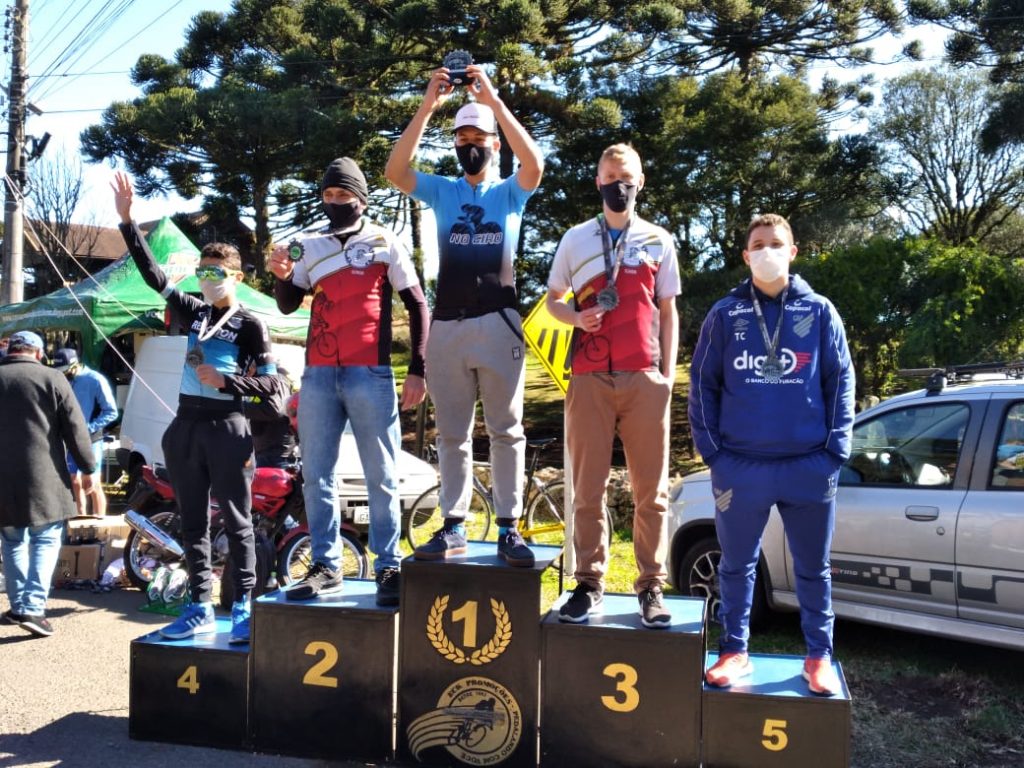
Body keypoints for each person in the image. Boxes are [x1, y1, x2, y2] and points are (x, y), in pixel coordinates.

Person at [688, 213, 855, 696]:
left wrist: (835, 450)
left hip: (808, 465)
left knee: (813, 569)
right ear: (746, 256)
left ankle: (819, 656)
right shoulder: (725, 314)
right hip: (741, 466)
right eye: (758, 245)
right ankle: (734, 650)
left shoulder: (819, 311)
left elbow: (841, 380)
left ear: (793, 251)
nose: (767, 252)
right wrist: (714, 453)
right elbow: (702, 384)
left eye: (776, 243)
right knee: (736, 565)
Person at [385, 62, 544, 566]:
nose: (470, 146)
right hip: (448, 325)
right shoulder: (442, 191)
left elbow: (535, 163)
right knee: (451, 434)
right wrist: (427, 106)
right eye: (462, 139)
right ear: (453, 144)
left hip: (499, 323)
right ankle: (453, 524)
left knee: (506, 430)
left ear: (495, 144)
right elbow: (395, 171)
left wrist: (493, 102)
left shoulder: (509, 193)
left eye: (479, 138)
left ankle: (509, 528)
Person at [113, 171, 280, 644]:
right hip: (186, 425)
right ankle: (198, 606)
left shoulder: (251, 325)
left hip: (228, 428)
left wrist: (229, 381)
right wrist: (127, 222)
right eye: (203, 273)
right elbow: (153, 275)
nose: (208, 281)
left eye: (217, 274)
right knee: (192, 522)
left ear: (237, 278)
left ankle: (243, 607)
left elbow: (275, 388)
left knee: (238, 521)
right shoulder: (194, 311)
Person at [268, 157, 429, 606]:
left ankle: (388, 565)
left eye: (344, 194)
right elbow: (287, 304)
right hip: (318, 375)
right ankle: (326, 565)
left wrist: (419, 369)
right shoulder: (307, 245)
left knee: (382, 475)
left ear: (361, 199)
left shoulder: (384, 240)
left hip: (370, 372)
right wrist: (282, 276)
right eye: (329, 195)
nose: (335, 201)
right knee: (317, 475)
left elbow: (418, 304)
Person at [545, 144, 680, 628]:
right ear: (597, 181)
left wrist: (667, 374)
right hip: (588, 376)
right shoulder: (575, 238)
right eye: (608, 177)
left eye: (625, 177)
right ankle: (588, 582)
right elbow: (553, 300)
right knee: (587, 489)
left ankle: (651, 586)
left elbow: (668, 309)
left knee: (651, 491)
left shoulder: (659, 239)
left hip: (644, 374)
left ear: (640, 182)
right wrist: (576, 318)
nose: (616, 185)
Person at [0, 331, 96, 637]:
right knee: (45, 539)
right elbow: (75, 427)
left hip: (3, 477)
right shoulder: (53, 378)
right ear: (39, 353)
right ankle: (33, 607)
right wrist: (88, 467)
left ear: (11, 350)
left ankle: (19, 606)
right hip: (44, 476)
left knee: (12, 541)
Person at [51, 348, 119, 517]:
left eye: (66, 371)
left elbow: (111, 412)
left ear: (76, 365)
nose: (63, 375)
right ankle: (80, 518)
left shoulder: (95, 379)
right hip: (69, 437)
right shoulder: (61, 380)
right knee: (74, 481)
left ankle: (100, 521)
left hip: (91, 438)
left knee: (92, 483)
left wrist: (88, 428)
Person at [243, 365, 298, 469]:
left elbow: (274, 409)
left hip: (277, 455)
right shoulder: (262, 380)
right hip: (267, 454)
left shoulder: (276, 378)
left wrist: (238, 407)